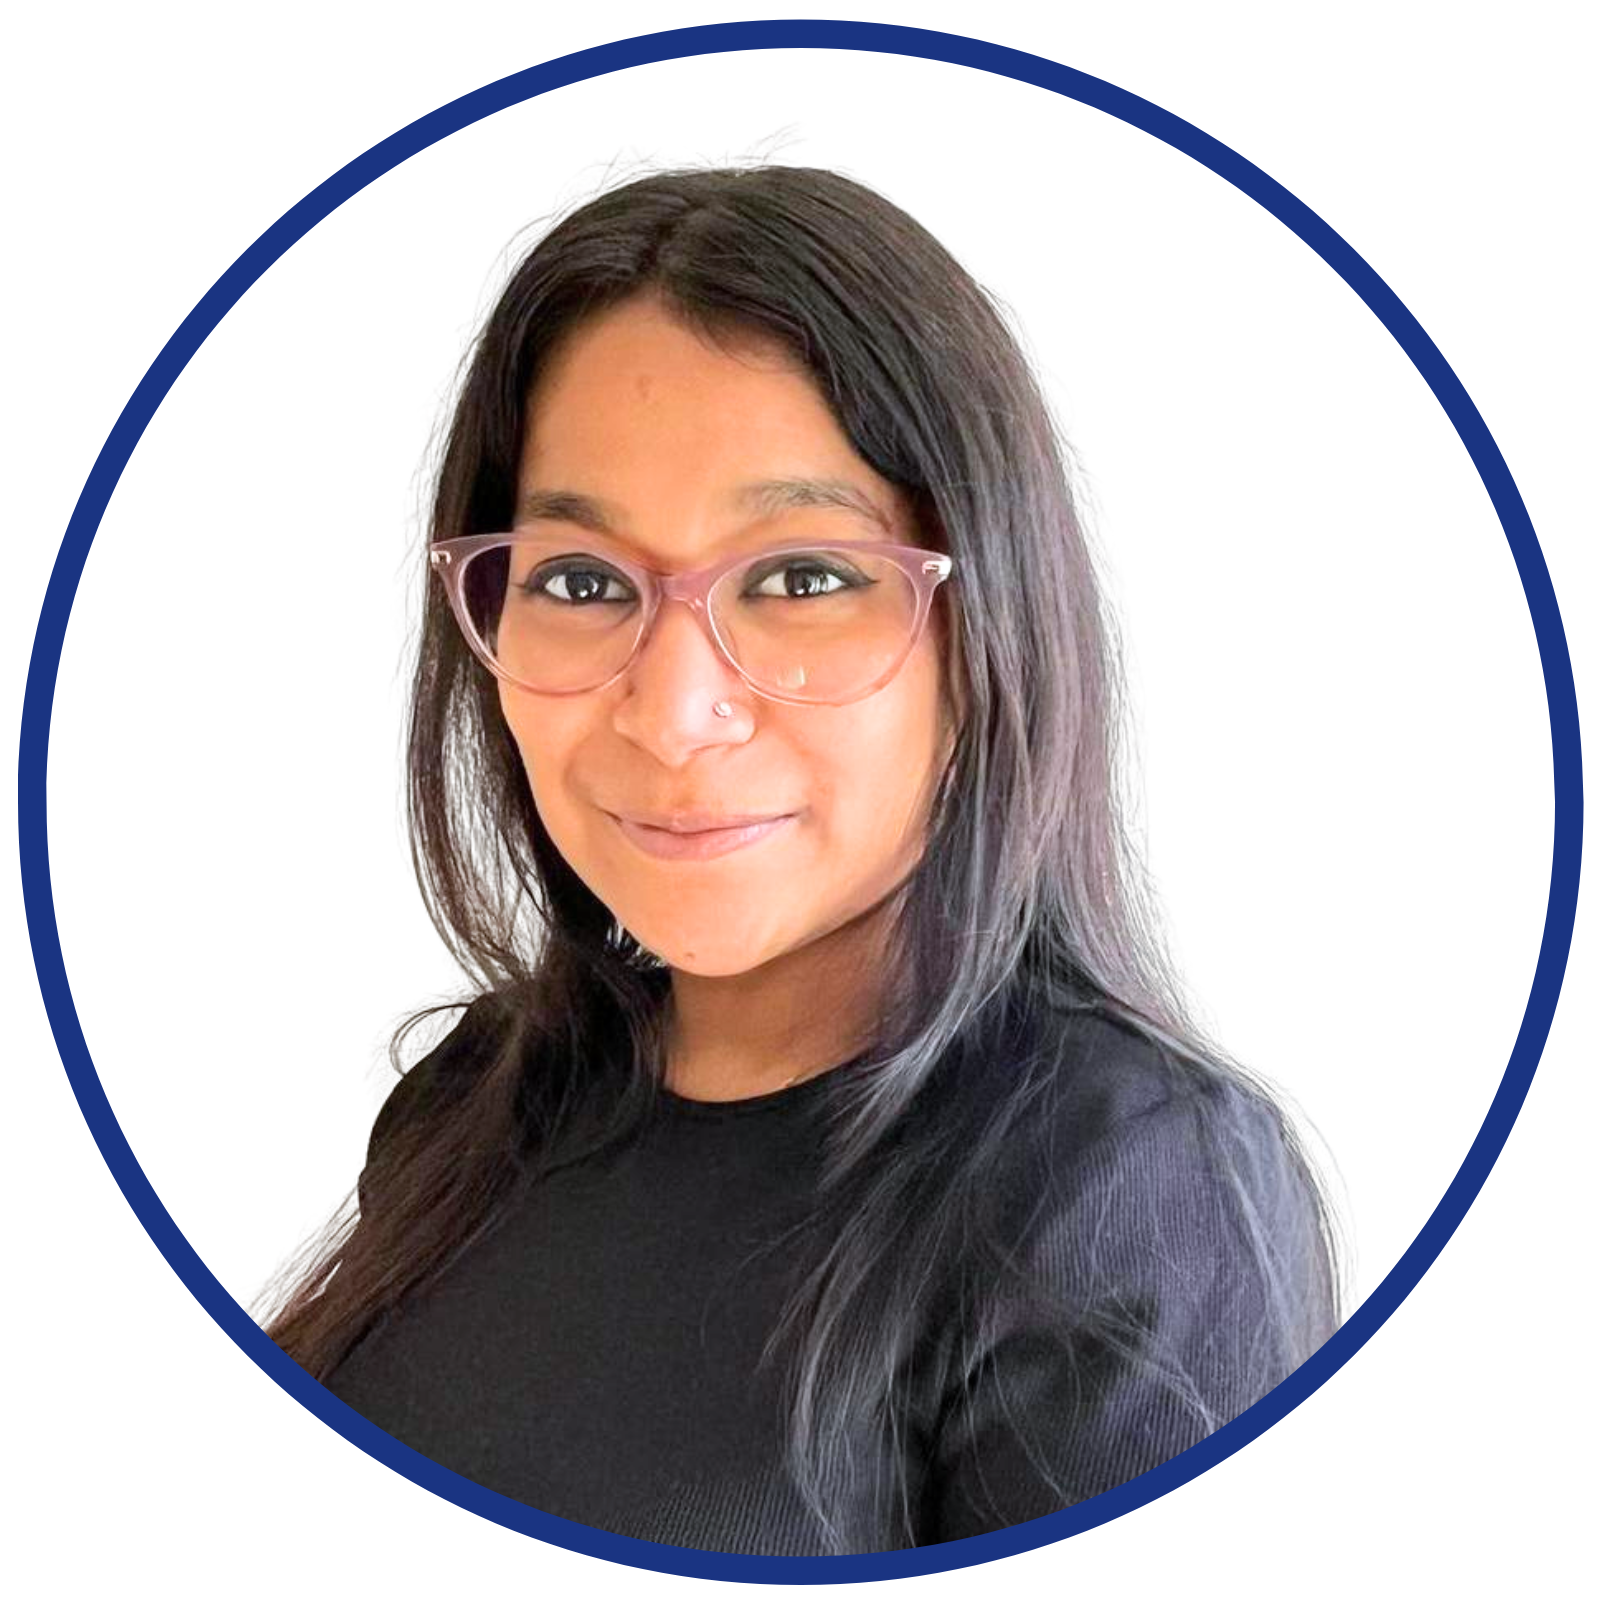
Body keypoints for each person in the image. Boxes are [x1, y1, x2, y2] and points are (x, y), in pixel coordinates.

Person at [262, 165, 1339, 1555]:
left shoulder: (1130, 1192)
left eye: (803, 577)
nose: (672, 712)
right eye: (581, 582)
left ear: (990, 621)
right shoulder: (477, 1100)